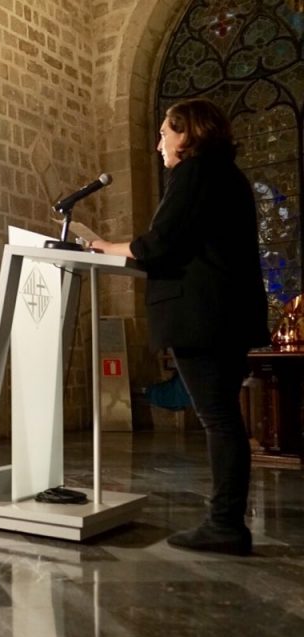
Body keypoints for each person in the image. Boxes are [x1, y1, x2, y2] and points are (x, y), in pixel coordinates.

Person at [89, 97, 268, 556]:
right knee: (223, 417)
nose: (158, 143)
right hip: (227, 314)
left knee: (218, 419)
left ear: (188, 134)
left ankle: (225, 524)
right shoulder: (230, 176)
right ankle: (226, 521)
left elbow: (159, 244)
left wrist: (103, 245)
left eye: (166, 132)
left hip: (203, 317)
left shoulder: (194, 173)